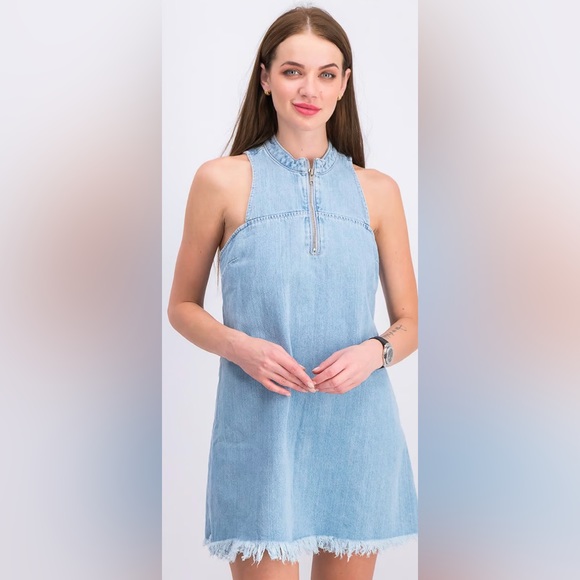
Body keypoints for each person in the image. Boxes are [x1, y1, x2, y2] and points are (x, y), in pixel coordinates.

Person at [167, 6, 417, 580]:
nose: (310, 89)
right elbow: (181, 307)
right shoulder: (221, 180)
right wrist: (240, 347)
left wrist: (374, 352)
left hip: (358, 433)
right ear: (265, 78)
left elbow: (411, 321)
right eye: (292, 71)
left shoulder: (378, 191)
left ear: (344, 84)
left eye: (326, 74)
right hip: (260, 432)